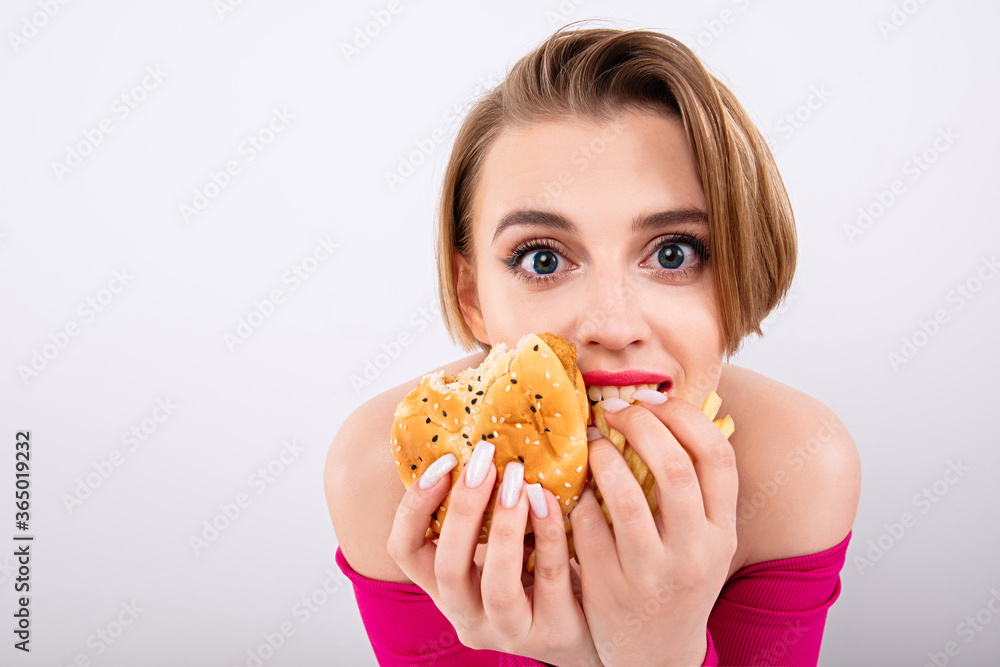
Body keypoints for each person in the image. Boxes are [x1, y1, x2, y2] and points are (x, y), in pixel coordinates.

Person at [325, 23, 861, 666]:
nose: (612, 323)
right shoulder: (381, 476)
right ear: (472, 296)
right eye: (544, 260)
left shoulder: (796, 467)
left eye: (674, 252)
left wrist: (659, 655)